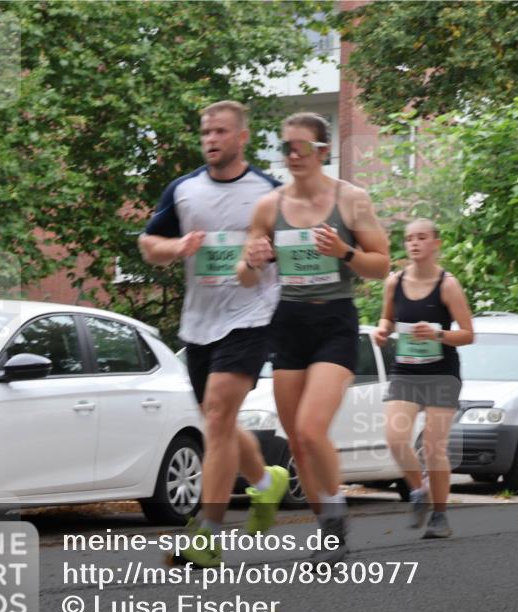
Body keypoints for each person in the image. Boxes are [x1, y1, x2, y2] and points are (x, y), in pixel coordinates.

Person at [139, 101, 288, 568]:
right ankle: (266, 483)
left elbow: (297, 248)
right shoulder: (183, 191)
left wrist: (268, 252)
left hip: (252, 315)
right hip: (200, 322)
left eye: (221, 131)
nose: (211, 139)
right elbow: (148, 245)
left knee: (219, 415)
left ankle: (208, 532)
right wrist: (177, 247)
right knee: (216, 419)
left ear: (242, 137)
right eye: (206, 132)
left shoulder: (268, 192)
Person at [237, 112, 389, 564]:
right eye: (285, 147)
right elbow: (246, 277)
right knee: (295, 438)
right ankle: (327, 522)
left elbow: (381, 265)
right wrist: (253, 259)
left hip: (335, 322)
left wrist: (342, 251)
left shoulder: (351, 200)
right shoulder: (269, 206)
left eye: (301, 146)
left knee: (309, 427)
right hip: (289, 321)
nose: (292, 155)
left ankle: (335, 512)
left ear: (323, 151)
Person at [373, 219, 474, 538]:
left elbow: (468, 334)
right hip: (406, 369)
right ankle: (419, 492)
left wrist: (438, 333)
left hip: (441, 373)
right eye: (409, 239)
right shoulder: (394, 281)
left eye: (422, 238)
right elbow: (387, 317)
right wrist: (382, 330)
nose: (414, 243)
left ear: (435, 243)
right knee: (394, 438)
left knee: (433, 448)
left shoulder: (448, 284)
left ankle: (440, 517)